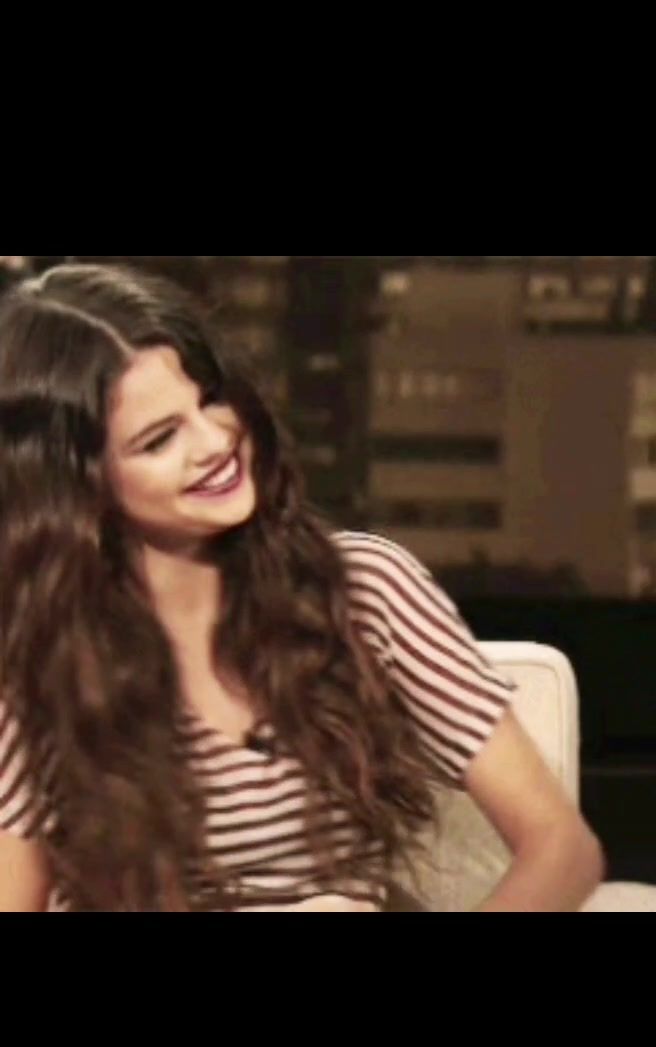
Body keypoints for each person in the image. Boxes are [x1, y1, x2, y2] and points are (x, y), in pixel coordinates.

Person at [0, 264, 603, 912]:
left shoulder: (364, 590)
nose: (215, 441)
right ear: (77, 484)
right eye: (160, 439)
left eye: (211, 398)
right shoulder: (33, 661)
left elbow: (561, 848)